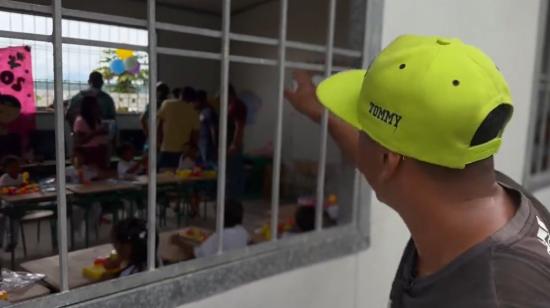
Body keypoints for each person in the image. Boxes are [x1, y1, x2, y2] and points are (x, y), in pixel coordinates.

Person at [284, 34, 550, 307]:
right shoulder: (481, 191)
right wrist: (320, 113)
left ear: (388, 160)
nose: (358, 135)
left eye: (363, 129)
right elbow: (383, 160)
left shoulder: (496, 296)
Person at [171, 199, 249, 258]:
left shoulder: (219, 237)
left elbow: (195, 253)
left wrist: (178, 242)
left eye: (217, 215)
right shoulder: (243, 232)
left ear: (221, 218)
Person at [157, 86, 199, 169]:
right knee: (180, 177)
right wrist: (192, 150)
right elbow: (195, 134)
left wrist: (158, 143)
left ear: (180, 94)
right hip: (183, 152)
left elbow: (159, 126)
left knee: (164, 177)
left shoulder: (167, 104)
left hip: (166, 148)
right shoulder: (193, 112)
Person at [73, 96, 109, 169]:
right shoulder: (81, 120)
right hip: (88, 152)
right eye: (95, 105)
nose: (98, 107)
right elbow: (80, 140)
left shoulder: (97, 119)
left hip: (100, 151)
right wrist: (95, 133)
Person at [226, 85, 247, 199]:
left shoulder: (236, 105)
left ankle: (233, 200)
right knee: (231, 174)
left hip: (233, 145)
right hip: (231, 144)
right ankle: (231, 199)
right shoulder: (232, 105)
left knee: (233, 175)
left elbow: (239, 126)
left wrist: (234, 144)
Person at [193, 90, 218, 165]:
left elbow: (213, 129)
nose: (193, 104)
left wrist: (215, 145)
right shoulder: (202, 111)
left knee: (210, 166)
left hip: (208, 146)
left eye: (194, 102)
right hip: (202, 145)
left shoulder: (208, 111)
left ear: (199, 101)